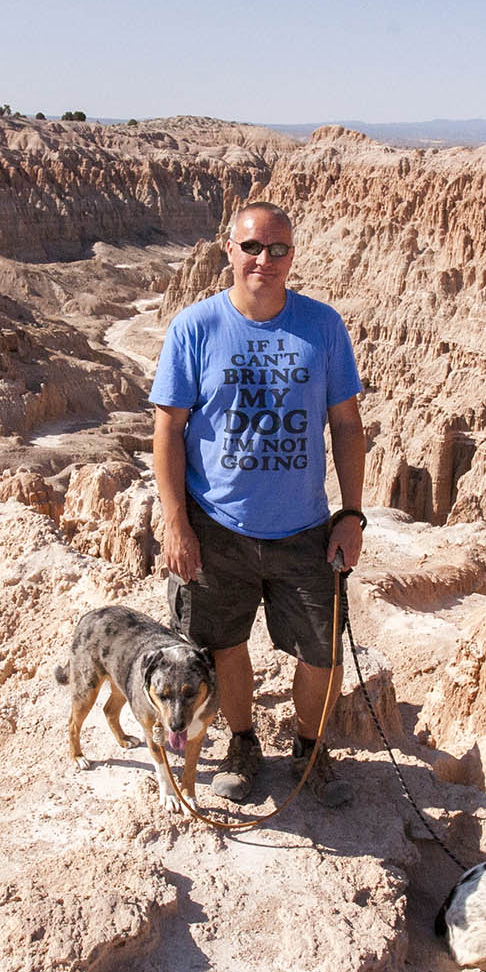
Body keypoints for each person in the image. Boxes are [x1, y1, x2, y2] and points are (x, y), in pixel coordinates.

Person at [150, 201, 366, 808]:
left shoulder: (322, 327)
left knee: (321, 652)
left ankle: (309, 752)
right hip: (215, 526)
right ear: (229, 249)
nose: (263, 260)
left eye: (277, 249)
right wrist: (175, 522)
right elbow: (168, 427)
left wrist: (351, 514)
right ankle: (243, 744)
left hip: (304, 530)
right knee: (222, 644)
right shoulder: (195, 328)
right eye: (251, 247)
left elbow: (347, 424)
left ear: (292, 255)